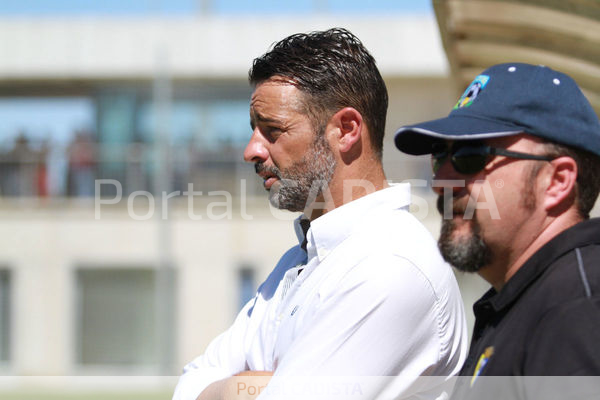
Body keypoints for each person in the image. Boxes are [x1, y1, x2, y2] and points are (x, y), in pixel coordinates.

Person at [172, 28, 467, 400]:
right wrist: (240, 388)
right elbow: (190, 383)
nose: (251, 150)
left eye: (272, 130)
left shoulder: (390, 264)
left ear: (346, 130)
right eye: (253, 130)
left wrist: (238, 387)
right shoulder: (302, 258)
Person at [394, 63, 600, 399]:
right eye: (438, 157)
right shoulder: (527, 299)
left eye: (470, 155)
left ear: (557, 181)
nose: (441, 182)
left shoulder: (579, 311)